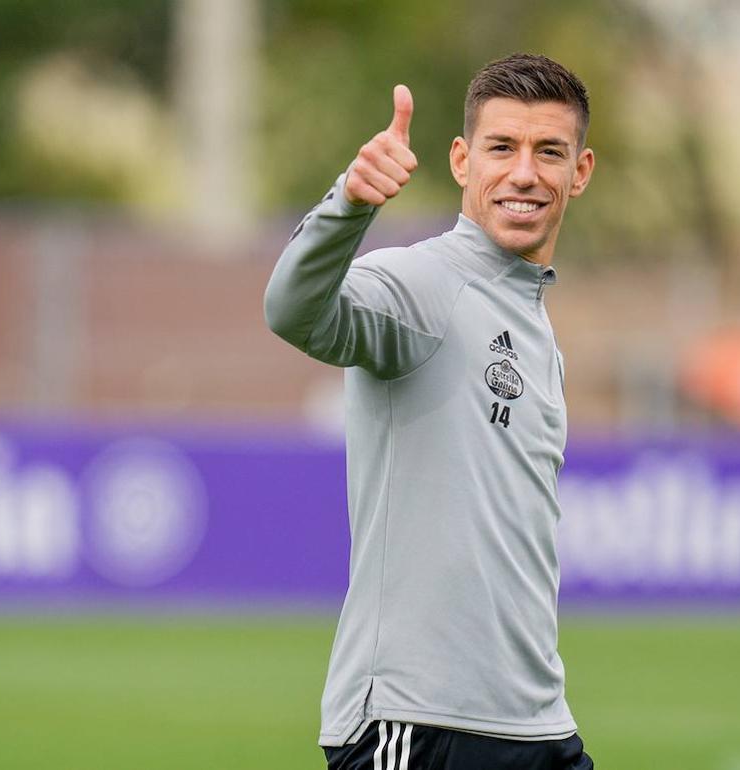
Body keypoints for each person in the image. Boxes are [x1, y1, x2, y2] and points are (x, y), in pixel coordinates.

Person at [264, 53, 596, 770]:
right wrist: (349, 205)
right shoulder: (423, 283)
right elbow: (292, 311)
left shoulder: (532, 319)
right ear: (461, 159)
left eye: (549, 152)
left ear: (581, 171)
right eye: (501, 147)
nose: (524, 173)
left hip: (535, 725)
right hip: (421, 727)